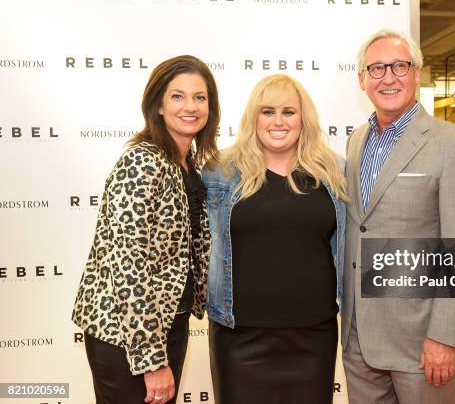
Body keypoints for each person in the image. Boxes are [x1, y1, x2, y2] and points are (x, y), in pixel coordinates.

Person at [341, 30, 455, 403]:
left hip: (421, 341)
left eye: (399, 66)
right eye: (376, 68)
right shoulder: (357, 139)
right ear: (362, 79)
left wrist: (444, 336)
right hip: (359, 337)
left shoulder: (453, 144)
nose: (388, 77)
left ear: (417, 73)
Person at [72, 55, 220, 404]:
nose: (191, 106)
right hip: (127, 334)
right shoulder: (142, 161)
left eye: (200, 97)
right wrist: (150, 360)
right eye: (177, 96)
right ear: (158, 106)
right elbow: (128, 265)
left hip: (170, 323)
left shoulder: (186, 164)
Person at [202, 74, 347, 404]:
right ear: (254, 117)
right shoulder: (220, 171)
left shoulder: (333, 170)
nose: (278, 121)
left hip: (314, 335)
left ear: (303, 118)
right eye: (267, 111)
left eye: (288, 112)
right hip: (239, 337)